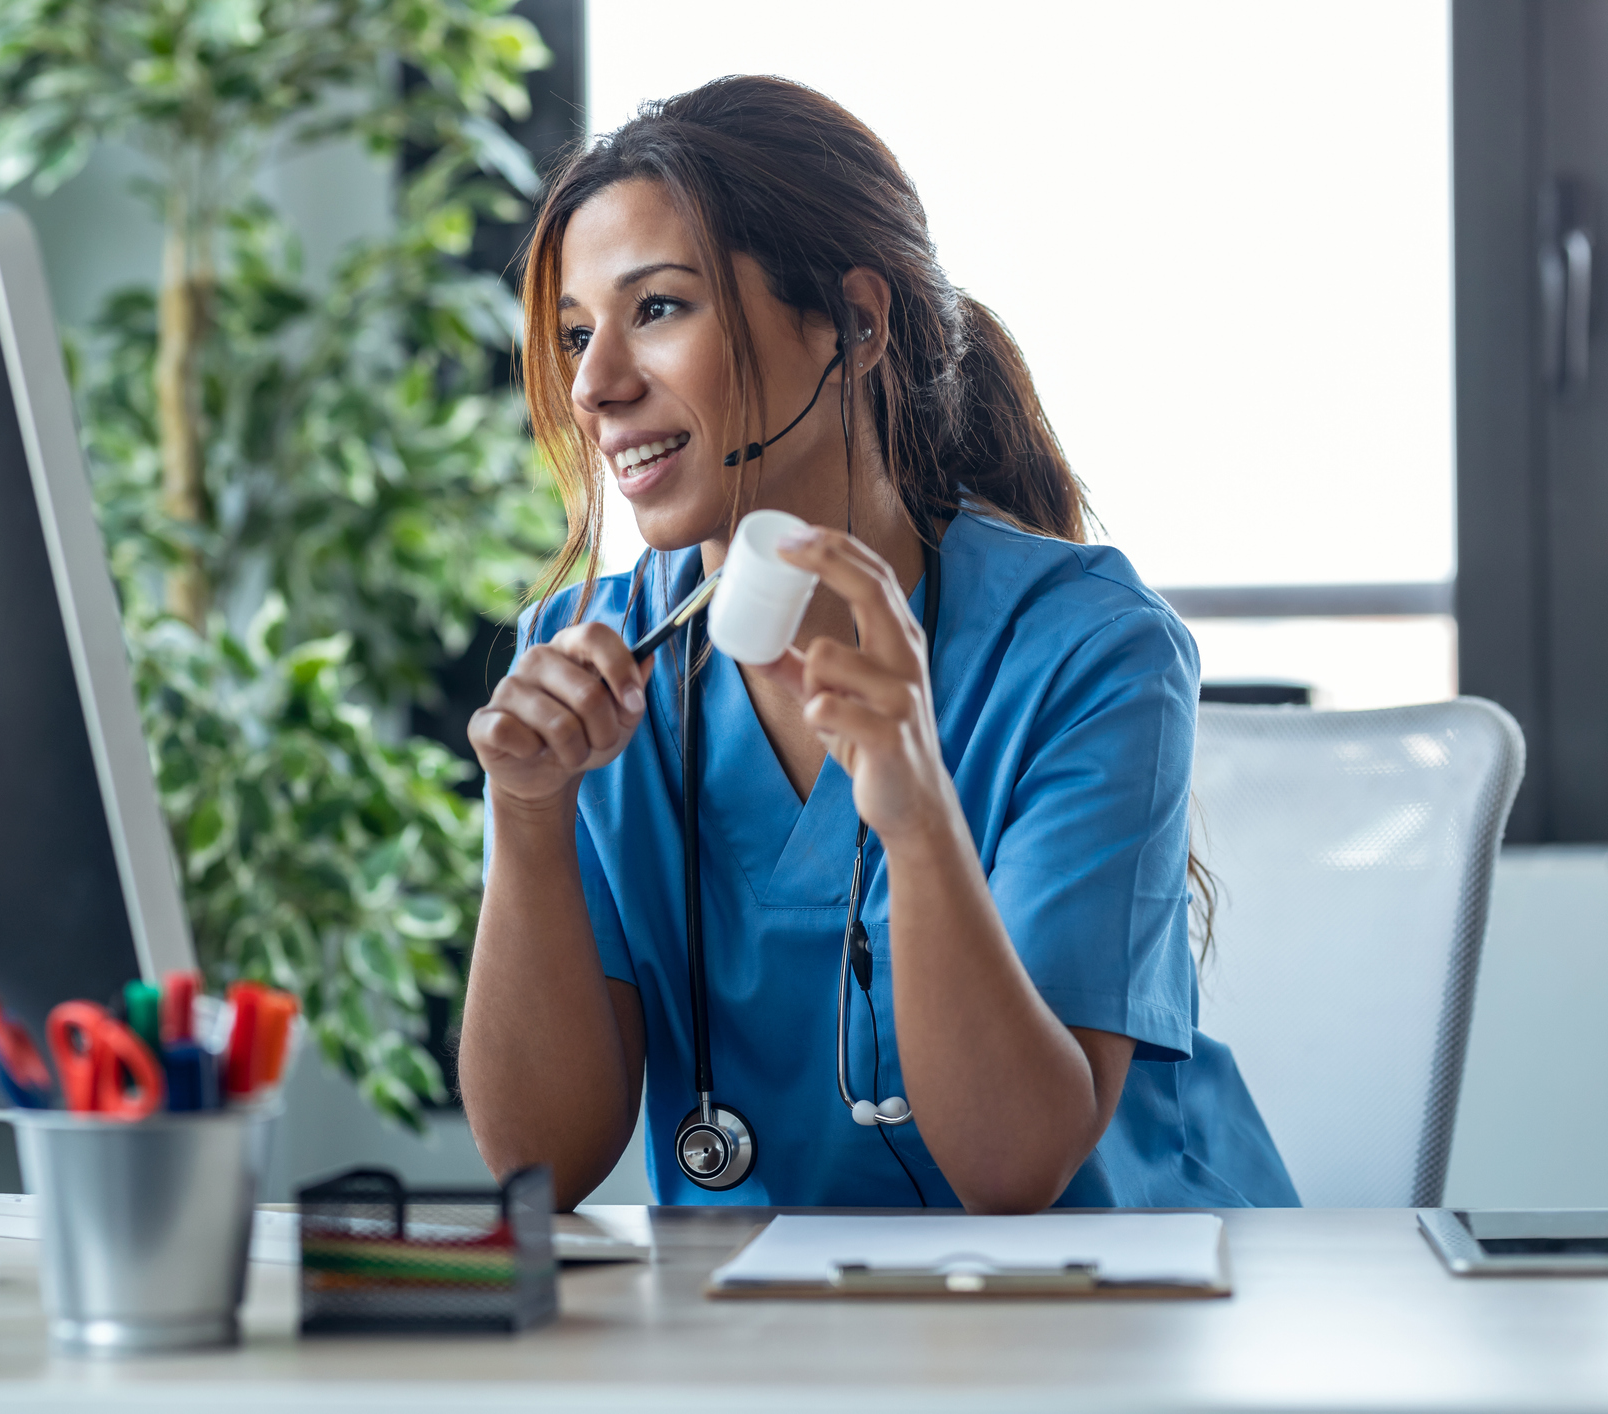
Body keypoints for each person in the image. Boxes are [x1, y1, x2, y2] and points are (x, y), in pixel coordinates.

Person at [457, 76, 1298, 1213]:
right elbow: (538, 1166)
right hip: (771, 1343)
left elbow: (1013, 1167)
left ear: (854, 322)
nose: (596, 384)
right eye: (573, 333)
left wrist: (911, 804)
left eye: (656, 309)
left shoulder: (1089, 651)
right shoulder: (582, 657)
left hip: (1103, 1326)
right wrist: (528, 815)